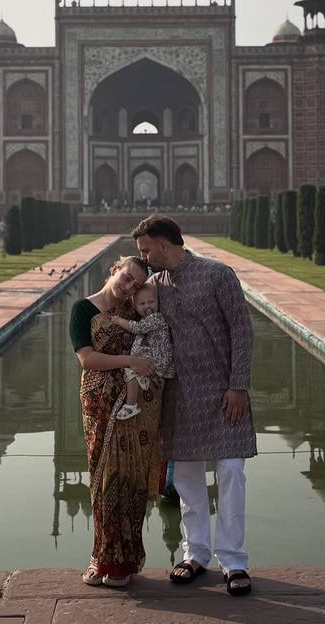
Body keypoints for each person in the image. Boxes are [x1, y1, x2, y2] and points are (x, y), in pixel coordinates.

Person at [132, 215, 256, 597]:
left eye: (147, 250)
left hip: (222, 392)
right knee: (186, 479)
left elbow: (241, 328)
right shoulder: (155, 286)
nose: (145, 258)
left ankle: (234, 561)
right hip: (181, 396)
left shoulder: (218, 274)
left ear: (165, 244)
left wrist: (238, 386)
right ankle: (196, 554)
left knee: (231, 473)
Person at [69, 255, 161, 588]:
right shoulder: (83, 310)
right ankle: (101, 558)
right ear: (115, 269)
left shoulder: (133, 311)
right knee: (101, 479)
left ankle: (123, 564)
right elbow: (88, 359)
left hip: (133, 405)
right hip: (99, 402)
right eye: (126, 278)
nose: (129, 287)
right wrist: (132, 360)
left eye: (136, 284)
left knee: (129, 480)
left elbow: (157, 335)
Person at [109, 280, 174, 420]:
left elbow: (138, 328)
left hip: (158, 359)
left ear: (158, 302)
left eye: (151, 302)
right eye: (142, 304)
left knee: (130, 371)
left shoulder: (155, 318)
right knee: (132, 368)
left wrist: (119, 321)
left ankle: (131, 405)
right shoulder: (147, 319)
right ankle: (142, 380)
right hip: (157, 359)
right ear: (135, 306)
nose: (147, 306)